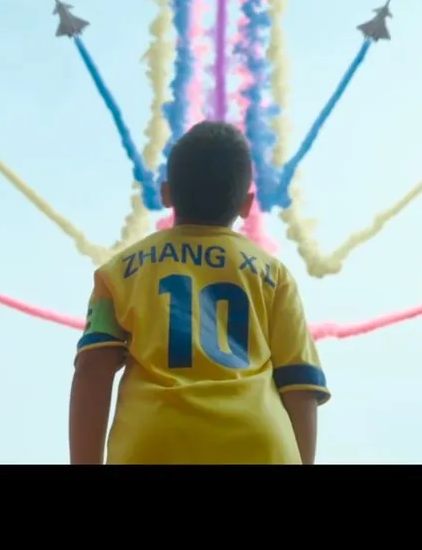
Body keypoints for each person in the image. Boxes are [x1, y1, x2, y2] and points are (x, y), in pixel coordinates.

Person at [69, 121, 329, 464]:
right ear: (247, 204)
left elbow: (92, 367)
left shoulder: (117, 273)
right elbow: (300, 388)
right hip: (257, 445)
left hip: (154, 444)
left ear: (166, 194)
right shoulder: (274, 276)